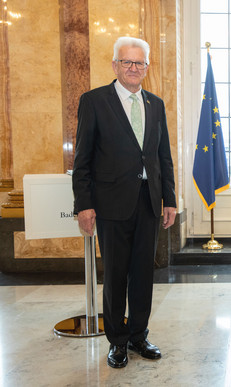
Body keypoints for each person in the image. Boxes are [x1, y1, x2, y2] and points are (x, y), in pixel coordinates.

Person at [72, 37, 177, 369]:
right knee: (116, 275)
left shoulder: (155, 104)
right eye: (127, 62)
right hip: (112, 204)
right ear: (115, 65)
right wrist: (84, 204)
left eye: (140, 63)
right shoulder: (94, 101)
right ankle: (117, 341)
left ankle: (138, 335)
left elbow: (163, 157)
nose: (134, 68)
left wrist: (170, 199)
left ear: (147, 67)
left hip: (148, 202)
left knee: (143, 274)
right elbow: (83, 158)